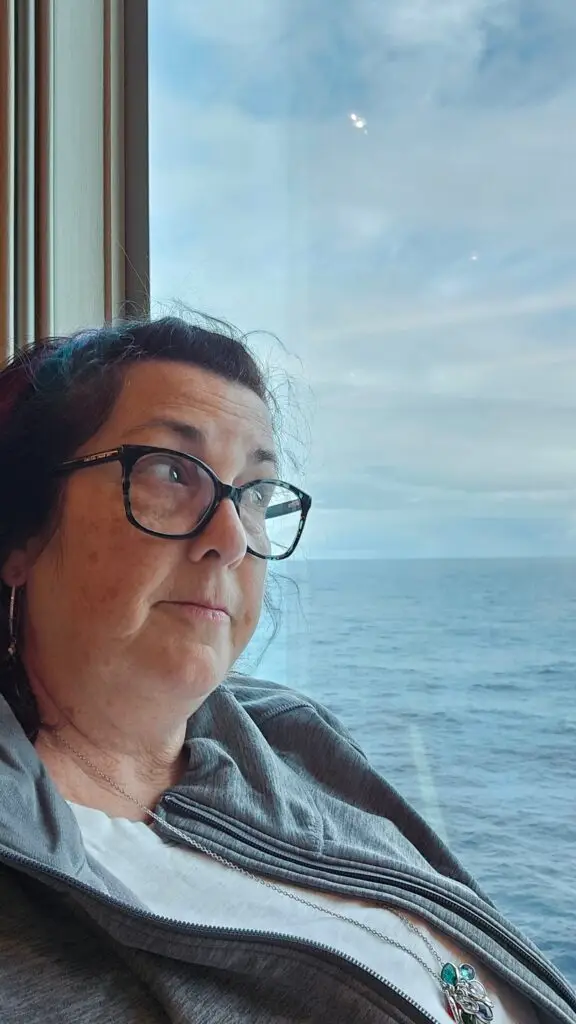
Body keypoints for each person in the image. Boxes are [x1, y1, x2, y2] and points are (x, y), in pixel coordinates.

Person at [0, 316, 573, 1024]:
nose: (232, 537)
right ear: (20, 534)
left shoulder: (295, 740)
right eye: (170, 471)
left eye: (255, 494)